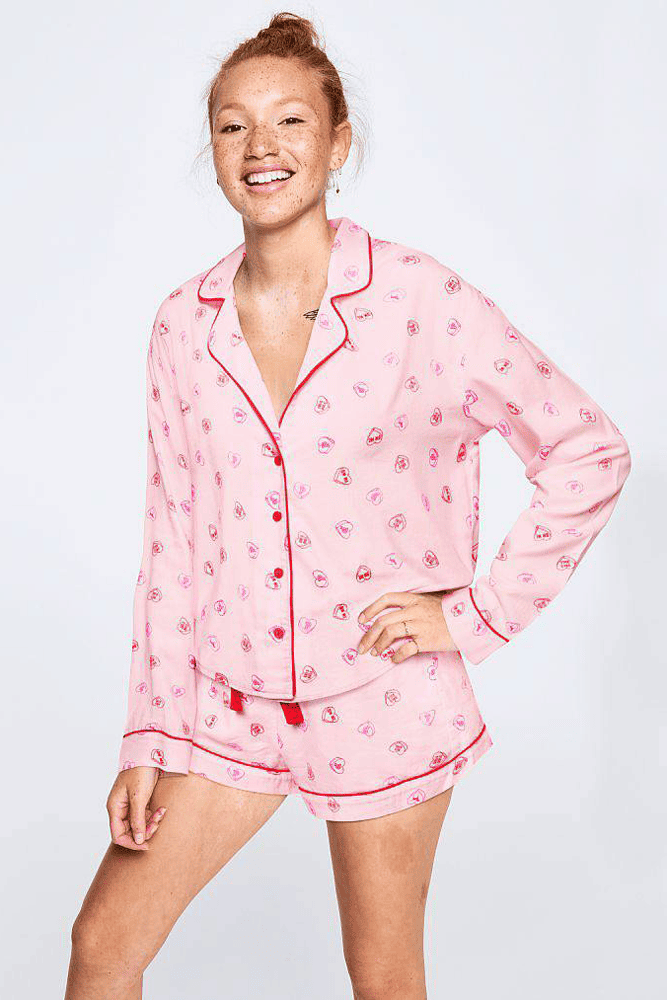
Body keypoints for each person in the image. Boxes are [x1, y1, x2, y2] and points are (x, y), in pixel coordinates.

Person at [65, 12, 632, 1000]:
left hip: (385, 695)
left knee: (381, 976)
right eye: (233, 125)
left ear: (338, 144)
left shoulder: (419, 300)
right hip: (228, 704)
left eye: (290, 120)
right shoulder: (182, 326)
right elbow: (172, 538)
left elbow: (587, 447)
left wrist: (475, 614)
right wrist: (150, 735)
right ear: (212, 151)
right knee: (103, 944)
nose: (262, 145)